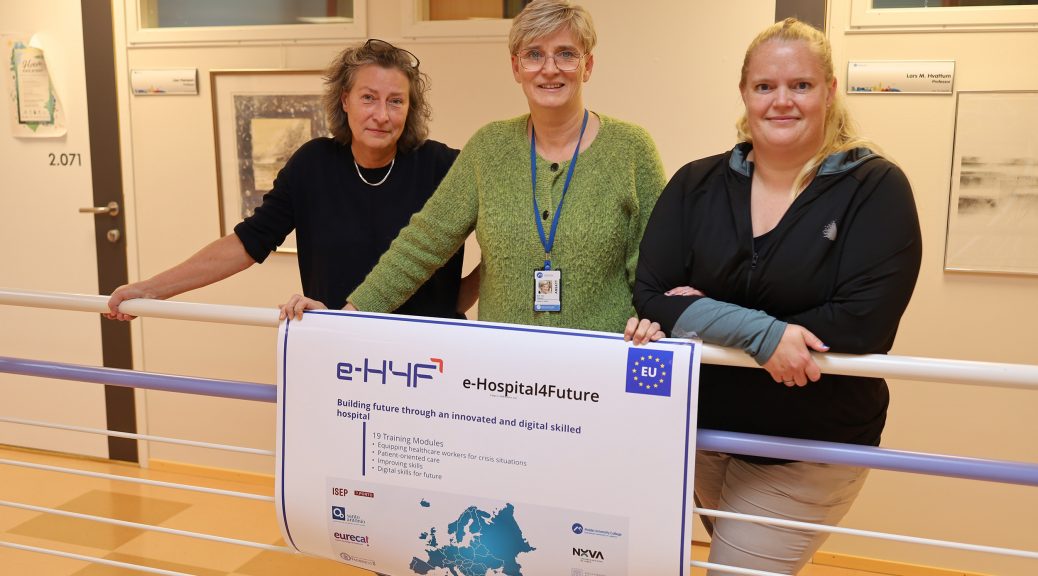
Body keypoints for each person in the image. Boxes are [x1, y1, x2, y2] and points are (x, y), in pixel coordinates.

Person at [632, 18, 922, 574]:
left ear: (829, 92)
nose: (781, 101)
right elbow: (651, 295)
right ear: (745, 93)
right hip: (705, 436)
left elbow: (861, 324)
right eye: (765, 86)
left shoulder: (874, 189)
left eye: (801, 85)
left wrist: (701, 312)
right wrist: (767, 334)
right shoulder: (696, 184)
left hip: (808, 447)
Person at [282, 0, 665, 344]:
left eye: (566, 54)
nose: (550, 69)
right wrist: (346, 315)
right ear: (516, 67)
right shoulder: (488, 148)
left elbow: (657, 265)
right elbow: (422, 244)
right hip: (501, 371)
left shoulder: (631, 149)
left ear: (588, 65)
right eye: (534, 54)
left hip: (602, 365)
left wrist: (655, 320)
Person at [106, 39, 474, 321]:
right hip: (342, 354)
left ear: (410, 108)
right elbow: (247, 243)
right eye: (368, 98)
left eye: (396, 101)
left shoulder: (444, 167)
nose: (382, 114)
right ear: (345, 100)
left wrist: (456, 301)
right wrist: (150, 289)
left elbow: (500, 241)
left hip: (427, 357)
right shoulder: (313, 165)